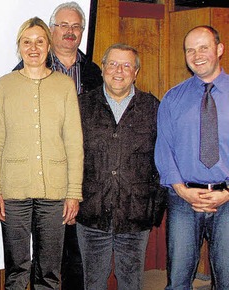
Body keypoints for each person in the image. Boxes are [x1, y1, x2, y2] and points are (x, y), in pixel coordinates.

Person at [0, 17, 83, 290]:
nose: (33, 48)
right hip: (13, 191)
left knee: (50, 272)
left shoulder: (64, 86)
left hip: (55, 192)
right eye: (27, 42)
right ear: (19, 47)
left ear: (48, 46)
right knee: (17, 270)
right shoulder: (5, 84)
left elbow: (74, 142)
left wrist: (73, 193)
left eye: (40, 41)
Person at [76, 43, 167, 290]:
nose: (119, 71)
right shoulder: (81, 106)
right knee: (93, 283)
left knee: (131, 283)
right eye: (113, 64)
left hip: (135, 215)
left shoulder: (153, 107)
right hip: (91, 214)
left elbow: (163, 160)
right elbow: (69, 157)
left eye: (127, 65)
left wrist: (153, 207)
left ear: (136, 72)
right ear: (103, 68)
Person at [155, 25, 229, 289]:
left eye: (203, 47)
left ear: (219, 49)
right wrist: (182, 190)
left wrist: (228, 192)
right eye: (190, 49)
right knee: (177, 281)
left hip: (228, 199)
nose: (197, 55)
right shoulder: (173, 98)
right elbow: (164, 149)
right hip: (183, 200)